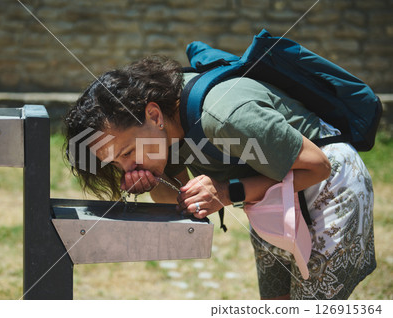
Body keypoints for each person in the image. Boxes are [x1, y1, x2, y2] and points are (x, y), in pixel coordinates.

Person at [64, 55, 376, 300]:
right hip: (271, 198)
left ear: (154, 115)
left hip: (331, 184)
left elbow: (318, 166)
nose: (127, 167)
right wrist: (153, 182)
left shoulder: (223, 115)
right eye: (116, 162)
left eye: (128, 151)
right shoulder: (162, 134)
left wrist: (228, 192)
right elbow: (179, 201)